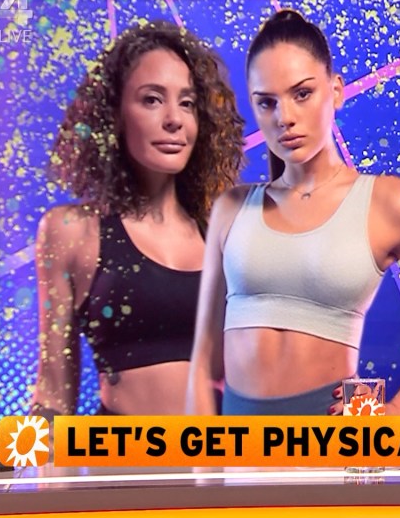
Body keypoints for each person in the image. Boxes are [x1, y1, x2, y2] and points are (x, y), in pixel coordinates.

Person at [186, 10, 400, 416]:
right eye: (266, 102)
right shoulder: (231, 209)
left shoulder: (390, 202)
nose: (284, 117)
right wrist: (205, 453)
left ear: (335, 91)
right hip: (239, 441)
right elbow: (203, 366)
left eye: (302, 94)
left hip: (334, 437)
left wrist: (395, 411)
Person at [30, 21, 245, 417]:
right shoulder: (72, 232)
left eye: (187, 103)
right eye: (152, 100)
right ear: (114, 115)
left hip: (218, 451)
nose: (174, 119)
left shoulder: (225, 232)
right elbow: (53, 395)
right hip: (117, 455)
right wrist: (22, 452)